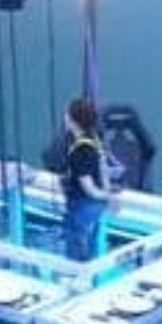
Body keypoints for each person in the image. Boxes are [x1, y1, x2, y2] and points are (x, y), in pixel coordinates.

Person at [59, 97, 113, 260]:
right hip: (96, 206)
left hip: (83, 205)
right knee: (93, 244)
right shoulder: (94, 139)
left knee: (77, 247)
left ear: (74, 121)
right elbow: (103, 167)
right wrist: (107, 193)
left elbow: (88, 187)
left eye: (67, 114)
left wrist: (106, 196)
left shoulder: (80, 150)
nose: (65, 117)